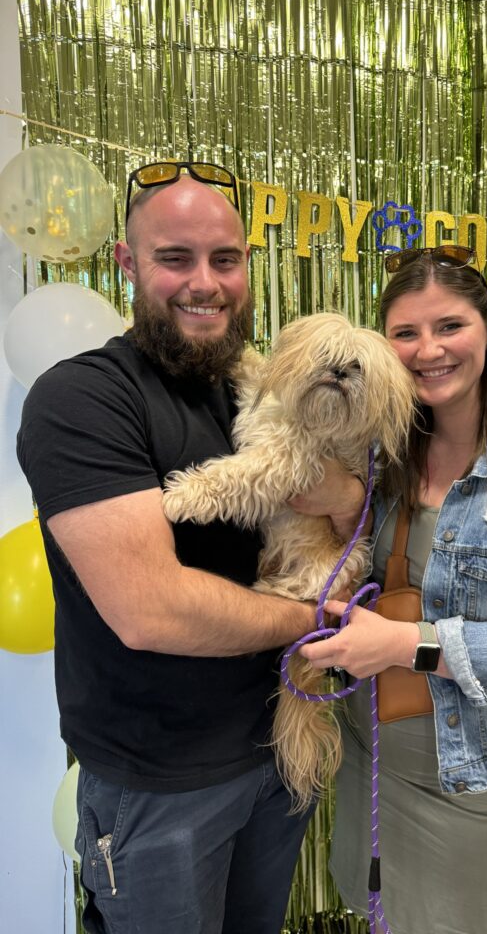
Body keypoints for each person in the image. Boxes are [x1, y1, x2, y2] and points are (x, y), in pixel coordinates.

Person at [16, 162, 367, 934]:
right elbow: (152, 612)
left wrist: (344, 497)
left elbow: (356, 494)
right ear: (129, 264)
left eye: (226, 259)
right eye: (175, 258)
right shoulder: (84, 401)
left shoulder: (255, 387)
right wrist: (318, 617)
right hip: (160, 787)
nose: (204, 283)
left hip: (278, 752)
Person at [300, 246, 487, 934]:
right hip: (375, 766)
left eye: (449, 326)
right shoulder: (382, 458)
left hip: (480, 786)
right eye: (405, 333)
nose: (428, 350)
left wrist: (404, 643)